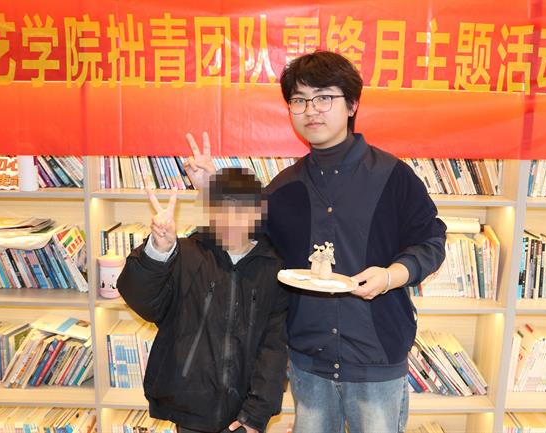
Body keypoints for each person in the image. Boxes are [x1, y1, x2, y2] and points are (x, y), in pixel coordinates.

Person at [184, 50, 447, 433]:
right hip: (309, 363)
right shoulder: (285, 186)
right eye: (300, 100)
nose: (311, 110)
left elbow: (431, 240)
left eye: (324, 98)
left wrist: (391, 275)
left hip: (376, 358)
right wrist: (212, 189)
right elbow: (247, 246)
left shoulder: (393, 176)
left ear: (352, 104)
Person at [117, 167, 288, 433]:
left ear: (257, 213)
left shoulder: (272, 267)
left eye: (240, 212)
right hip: (190, 413)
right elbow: (144, 301)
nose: (229, 222)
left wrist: (256, 414)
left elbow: (274, 348)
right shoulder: (187, 254)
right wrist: (158, 250)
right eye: (221, 211)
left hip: (244, 415)